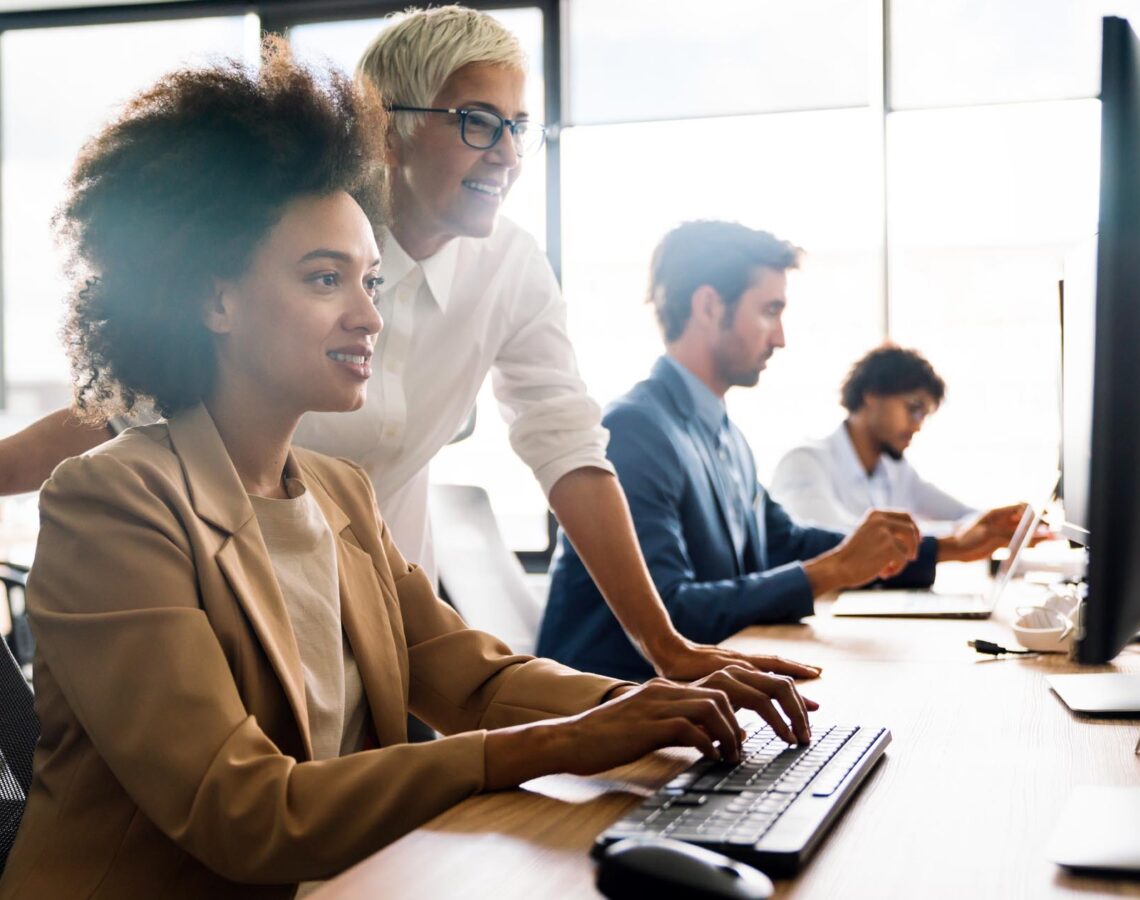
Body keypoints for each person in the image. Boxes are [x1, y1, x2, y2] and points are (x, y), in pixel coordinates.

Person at [0, 48, 818, 900]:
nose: (368, 317)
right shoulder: (112, 504)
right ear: (216, 302)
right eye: (325, 280)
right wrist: (562, 743)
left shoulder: (336, 492)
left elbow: (476, 680)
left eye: (372, 281)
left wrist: (649, 707)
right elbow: (242, 809)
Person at [537, 221, 1019, 680]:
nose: (781, 337)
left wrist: (952, 547)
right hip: (613, 710)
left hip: (692, 698)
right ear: (708, 307)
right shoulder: (635, 430)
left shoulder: (724, 433)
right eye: (770, 310)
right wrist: (834, 569)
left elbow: (785, 543)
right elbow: (671, 615)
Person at [769, 344, 1025, 543]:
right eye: (913, 409)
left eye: (924, 415)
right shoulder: (805, 463)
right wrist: (962, 535)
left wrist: (1006, 523)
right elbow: (840, 543)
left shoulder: (897, 471)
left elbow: (964, 515)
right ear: (872, 395)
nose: (917, 425)